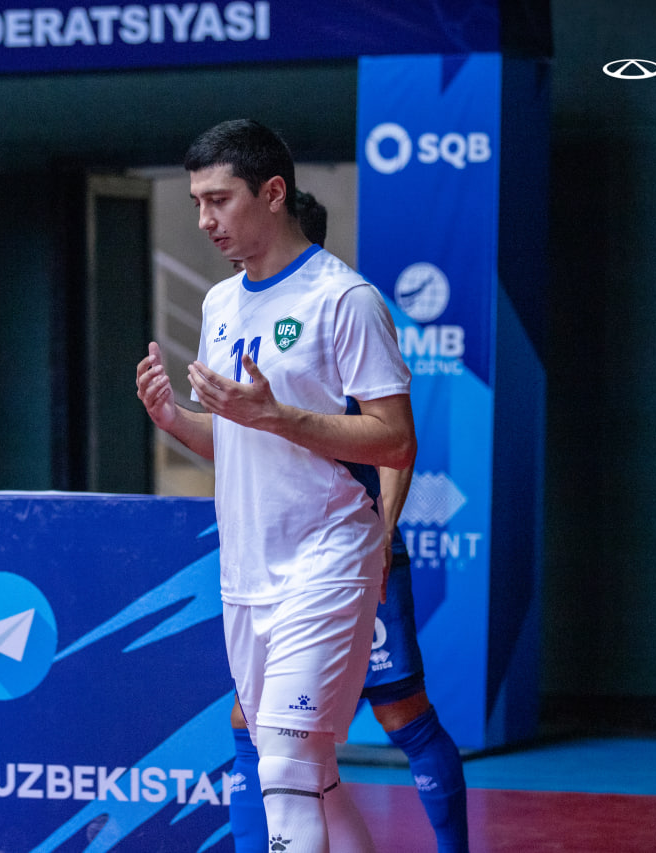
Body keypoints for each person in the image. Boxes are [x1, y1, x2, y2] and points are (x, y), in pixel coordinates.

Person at [136, 119, 415, 852]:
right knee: (310, 771)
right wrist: (176, 420)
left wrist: (280, 415)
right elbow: (236, 438)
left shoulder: (343, 299)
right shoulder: (220, 304)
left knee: (286, 766)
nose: (204, 220)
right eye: (197, 202)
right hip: (247, 573)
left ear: (273, 192)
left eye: (219, 200)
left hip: (329, 557)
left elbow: (395, 437)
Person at [225, 192, 470, 851]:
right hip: (274, 568)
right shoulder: (237, 315)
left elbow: (395, 442)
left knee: (401, 714)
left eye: (220, 202)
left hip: (348, 555)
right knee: (258, 730)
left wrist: (383, 538)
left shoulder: (343, 313)